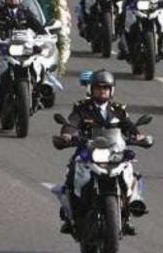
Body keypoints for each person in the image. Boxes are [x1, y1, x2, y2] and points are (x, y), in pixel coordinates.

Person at [55, 69, 147, 235]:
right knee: (73, 170)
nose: (102, 91)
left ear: (111, 90)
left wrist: (138, 135)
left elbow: (128, 125)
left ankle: (132, 207)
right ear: (91, 89)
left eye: (105, 88)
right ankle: (69, 214)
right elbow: (72, 122)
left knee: (133, 171)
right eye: (98, 88)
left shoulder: (118, 110)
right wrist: (67, 134)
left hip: (114, 152)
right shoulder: (83, 108)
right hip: (89, 151)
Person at [0, 0, 47, 112]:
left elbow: (38, 27)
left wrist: (45, 35)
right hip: (4, 47)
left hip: (24, 48)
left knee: (41, 65)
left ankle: (37, 95)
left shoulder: (26, 13)